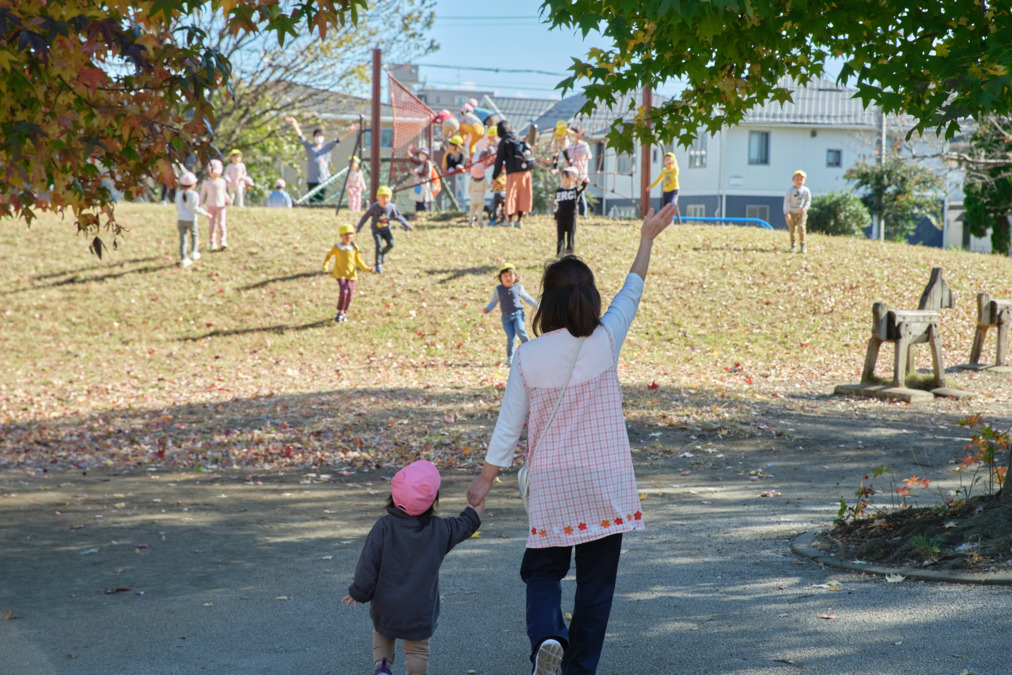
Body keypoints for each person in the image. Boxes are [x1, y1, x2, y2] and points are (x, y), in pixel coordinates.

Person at [466, 203, 676, 675]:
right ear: (590, 298)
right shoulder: (606, 339)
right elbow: (633, 290)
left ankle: (547, 638)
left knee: (542, 573)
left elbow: (508, 425)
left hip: (553, 485)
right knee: (596, 589)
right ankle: (578, 670)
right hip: (605, 483)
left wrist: (484, 481)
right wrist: (646, 238)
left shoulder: (529, 355)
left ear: (549, 301)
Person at [344, 460, 484, 675]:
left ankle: (382, 668)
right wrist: (477, 501)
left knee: (382, 635)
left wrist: (358, 591)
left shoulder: (383, 526)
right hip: (420, 608)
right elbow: (468, 523)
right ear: (433, 501)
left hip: (386, 605)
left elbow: (368, 564)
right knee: (418, 650)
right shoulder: (440, 529)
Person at [284, 116, 358, 203]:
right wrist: (295, 124)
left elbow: (338, 140)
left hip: (323, 179)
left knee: (321, 200)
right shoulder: (310, 147)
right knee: (312, 200)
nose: (319, 137)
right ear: (314, 137)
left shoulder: (327, 147)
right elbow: (301, 137)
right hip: (312, 179)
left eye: (320, 135)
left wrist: (350, 132)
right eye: (317, 135)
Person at [482, 263, 540, 368]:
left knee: (520, 330)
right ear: (501, 278)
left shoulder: (518, 288)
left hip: (518, 314)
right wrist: (488, 309)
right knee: (511, 337)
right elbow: (493, 302)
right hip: (506, 317)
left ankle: (529, 351)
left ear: (515, 276)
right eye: (505, 276)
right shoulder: (498, 290)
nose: (508, 278)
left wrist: (536, 306)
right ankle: (510, 357)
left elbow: (527, 298)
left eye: (511, 275)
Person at [323, 223, 374, 323]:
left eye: (350, 234)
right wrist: (325, 268)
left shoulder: (354, 248)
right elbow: (328, 256)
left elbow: (359, 262)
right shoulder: (337, 247)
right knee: (344, 291)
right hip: (340, 273)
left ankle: (344, 312)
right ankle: (339, 311)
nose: (348, 237)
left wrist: (368, 269)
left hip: (351, 275)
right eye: (346, 234)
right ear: (341, 236)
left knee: (350, 294)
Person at [356, 185, 413, 273]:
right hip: (376, 230)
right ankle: (378, 264)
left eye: (387, 197)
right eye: (383, 197)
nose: (385, 200)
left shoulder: (391, 207)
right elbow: (365, 217)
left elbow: (398, 216)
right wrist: (358, 228)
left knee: (391, 244)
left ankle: (382, 253)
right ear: (377, 197)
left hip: (386, 230)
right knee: (379, 245)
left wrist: (407, 225)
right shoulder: (374, 208)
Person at [492, 120, 534, 228]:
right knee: (523, 195)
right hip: (526, 172)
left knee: (511, 196)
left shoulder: (504, 141)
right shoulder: (518, 137)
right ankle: (519, 220)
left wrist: (494, 176)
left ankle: (509, 220)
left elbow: (499, 160)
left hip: (513, 173)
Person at [174, 171, 208, 267]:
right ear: (193, 184)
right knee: (194, 235)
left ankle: (183, 257)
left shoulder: (178, 194)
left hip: (180, 219)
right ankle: (194, 251)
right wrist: (205, 214)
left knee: (183, 239)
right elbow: (194, 208)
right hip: (191, 219)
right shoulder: (194, 195)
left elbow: (177, 207)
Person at [199, 158, 233, 251]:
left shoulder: (222, 182)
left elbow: (224, 193)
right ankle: (212, 243)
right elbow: (202, 194)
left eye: (216, 172)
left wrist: (228, 200)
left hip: (221, 206)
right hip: (210, 206)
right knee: (211, 226)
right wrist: (199, 203)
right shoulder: (206, 182)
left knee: (222, 224)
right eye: (213, 172)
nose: (214, 174)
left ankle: (223, 241)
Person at [554, 167, 589, 255]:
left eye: (567, 179)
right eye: (563, 179)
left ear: (573, 179)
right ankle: (560, 257)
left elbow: (582, 187)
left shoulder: (575, 190)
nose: (565, 181)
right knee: (560, 239)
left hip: (571, 217)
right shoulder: (559, 191)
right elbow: (556, 205)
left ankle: (570, 256)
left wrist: (585, 181)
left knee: (570, 237)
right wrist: (555, 218)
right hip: (561, 218)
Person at [649, 152, 682, 225]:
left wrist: (674, 161)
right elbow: (658, 180)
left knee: (671, 204)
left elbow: (676, 167)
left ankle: (670, 221)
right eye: (666, 160)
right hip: (666, 191)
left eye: (670, 160)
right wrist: (650, 186)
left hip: (673, 190)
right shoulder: (664, 171)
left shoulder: (674, 170)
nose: (668, 161)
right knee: (665, 207)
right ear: (664, 162)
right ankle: (665, 222)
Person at [468, 142, 496, 228]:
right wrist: (492, 185)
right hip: (481, 197)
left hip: (473, 196)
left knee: (472, 210)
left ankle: (471, 223)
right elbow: (487, 187)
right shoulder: (483, 180)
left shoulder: (472, 180)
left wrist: (471, 193)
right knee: (480, 211)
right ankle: (480, 223)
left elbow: (469, 188)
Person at [566, 126, 593, 216]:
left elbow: (589, 156)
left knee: (580, 194)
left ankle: (583, 214)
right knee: (570, 194)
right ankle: (571, 213)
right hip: (571, 174)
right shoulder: (569, 146)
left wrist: (585, 155)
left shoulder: (583, 145)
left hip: (581, 174)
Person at [784, 169, 812, 253]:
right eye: (797, 178)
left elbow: (808, 200)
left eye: (801, 179)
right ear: (793, 180)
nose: (799, 181)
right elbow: (786, 201)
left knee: (801, 227)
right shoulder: (790, 191)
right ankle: (793, 246)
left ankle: (803, 245)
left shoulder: (806, 190)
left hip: (801, 213)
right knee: (792, 229)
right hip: (792, 212)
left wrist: (805, 208)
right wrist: (786, 212)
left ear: (805, 180)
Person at [441, 136, 466, 211]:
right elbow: (445, 160)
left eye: (452, 144)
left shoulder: (462, 153)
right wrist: (445, 169)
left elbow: (466, 160)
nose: (450, 146)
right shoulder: (449, 153)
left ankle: (459, 167)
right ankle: (451, 169)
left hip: (459, 167)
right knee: (450, 157)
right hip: (452, 168)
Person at [409, 146, 434, 218]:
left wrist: (415, 173)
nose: (421, 156)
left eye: (423, 154)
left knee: (424, 201)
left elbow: (424, 174)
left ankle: (425, 215)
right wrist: (410, 155)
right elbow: (415, 161)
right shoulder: (421, 163)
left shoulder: (427, 163)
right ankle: (418, 215)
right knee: (418, 201)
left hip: (424, 185)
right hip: (418, 184)